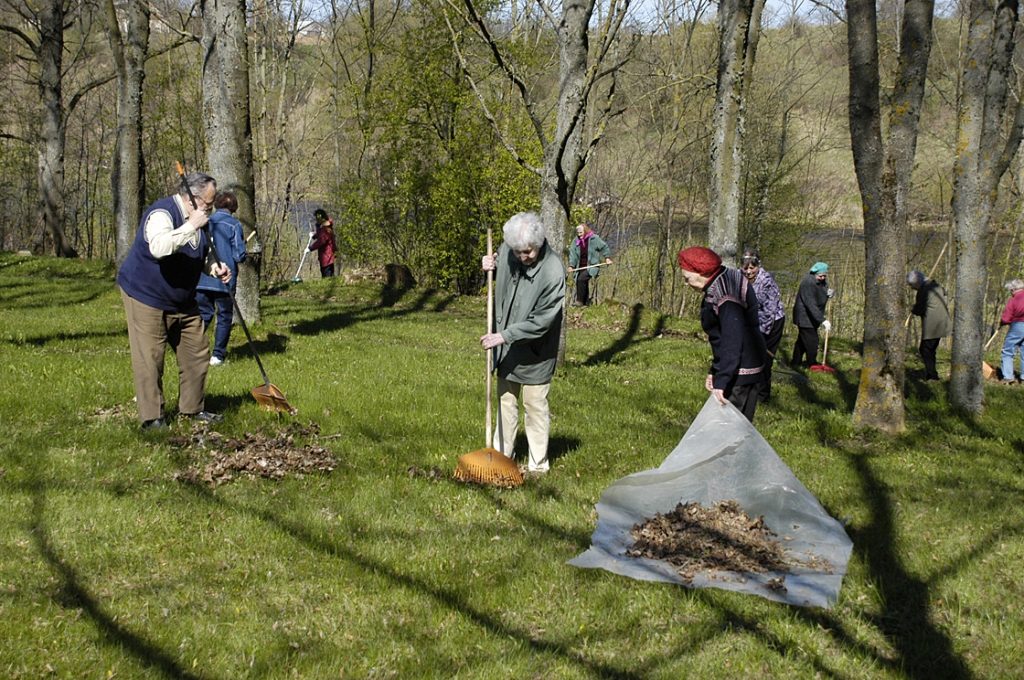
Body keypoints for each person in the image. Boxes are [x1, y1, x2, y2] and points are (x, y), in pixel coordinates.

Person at [117, 172, 231, 430]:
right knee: (150, 358)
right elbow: (158, 247)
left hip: (183, 298)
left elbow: (201, 254)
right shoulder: (162, 213)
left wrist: (215, 268)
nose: (210, 210)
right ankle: (152, 418)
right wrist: (190, 225)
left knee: (197, 351)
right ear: (192, 199)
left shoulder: (203, 221)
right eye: (208, 204)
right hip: (147, 295)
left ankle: (192, 409)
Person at [481, 212, 566, 473]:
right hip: (505, 348)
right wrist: (488, 267)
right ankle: (500, 457)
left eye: (527, 252)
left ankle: (538, 465)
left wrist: (505, 335)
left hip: (535, 351)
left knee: (534, 405)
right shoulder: (508, 249)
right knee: (506, 401)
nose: (522, 257)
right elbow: (501, 279)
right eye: (517, 252)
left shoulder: (553, 272)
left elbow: (542, 321)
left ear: (539, 244)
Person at [679, 246, 766, 422]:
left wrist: (722, 381)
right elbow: (721, 336)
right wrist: (715, 370)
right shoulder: (723, 278)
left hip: (741, 371)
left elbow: (732, 339)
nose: (686, 283)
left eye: (687, 278)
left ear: (701, 272)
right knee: (739, 429)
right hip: (741, 365)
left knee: (730, 430)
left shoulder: (726, 293)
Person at [196, 192, 247, 367]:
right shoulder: (234, 225)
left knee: (203, 314)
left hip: (202, 278)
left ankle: (194, 350)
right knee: (224, 316)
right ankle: (217, 355)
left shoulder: (204, 222)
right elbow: (239, 255)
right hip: (225, 279)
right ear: (234, 208)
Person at [740, 249, 785, 402]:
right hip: (752, 321)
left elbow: (769, 312)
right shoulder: (739, 277)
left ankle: (762, 396)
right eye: (745, 268)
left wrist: (759, 334)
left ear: (759, 266)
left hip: (772, 322)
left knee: (764, 359)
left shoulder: (767, 281)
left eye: (752, 268)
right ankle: (747, 389)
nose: (748, 272)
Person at [906, 269, 951, 382]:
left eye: (912, 285)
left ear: (918, 282)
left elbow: (919, 309)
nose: (912, 288)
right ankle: (932, 374)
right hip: (943, 321)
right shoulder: (934, 285)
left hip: (933, 324)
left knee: (925, 349)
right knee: (930, 349)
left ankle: (932, 376)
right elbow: (943, 291)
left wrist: (912, 308)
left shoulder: (924, 290)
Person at [791, 262, 832, 368]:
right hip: (804, 317)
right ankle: (812, 364)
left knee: (802, 341)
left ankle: (795, 362)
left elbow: (821, 293)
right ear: (815, 273)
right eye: (820, 276)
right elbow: (811, 304)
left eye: (824, 275)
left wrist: (828, 293)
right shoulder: (808, 282)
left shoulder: (821, 281)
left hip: (812, 318)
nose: (823, 278)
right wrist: (822, 320)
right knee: (812, 341)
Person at [567, 223, 612, 306]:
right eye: (578, 233)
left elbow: (604, 247)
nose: (579, 235)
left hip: (592, 266)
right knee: (580, 281)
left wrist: (607, 258)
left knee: (581, 279)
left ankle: (579, 301)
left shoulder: (595, 239)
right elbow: (572, 255)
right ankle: (586, 303)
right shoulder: (575, 241)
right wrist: (571, 266)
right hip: (579, 266)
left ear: (585, 231)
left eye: (581, 233)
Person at [999, 279, 1024, 383]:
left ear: (1013, 289)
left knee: (1008, 351)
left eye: (1010, 290)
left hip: (1018, 326)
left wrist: (1003, 322)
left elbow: (1006, 318)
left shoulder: (1013, 300)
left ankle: (1008, 376)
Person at [309, 208, 338, 278]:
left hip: (327, 256)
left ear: (322, 218)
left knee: (327, 275)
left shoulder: (326, 229)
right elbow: (321, 234)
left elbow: (321, 241)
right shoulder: (324, 227)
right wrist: (315, 235)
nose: (316, 220)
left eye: (318, 219)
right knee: (327, 273)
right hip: (327, 255)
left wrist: (310, 248)